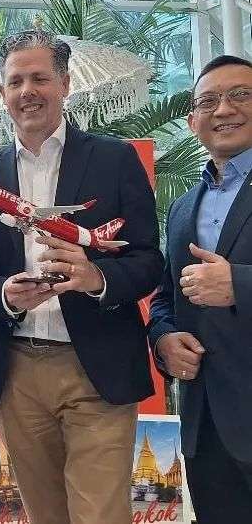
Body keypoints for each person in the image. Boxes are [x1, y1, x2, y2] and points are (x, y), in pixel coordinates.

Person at [0, 30, 163, 524]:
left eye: (40, 78)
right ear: (3, 93)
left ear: (65, 84)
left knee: (99, 514)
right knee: (43, 513)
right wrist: (4, 294)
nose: (27, 90)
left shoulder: (115, 161)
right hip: (17, 370)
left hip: (96, 365)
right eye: (15, 81)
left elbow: (147, 260)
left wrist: (96, 277)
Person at [149, 54, 252, 522]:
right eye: (208, 101)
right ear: (193, 122)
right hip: (206, 423)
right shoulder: (183, 206)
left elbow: (229, 285)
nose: (224, 109)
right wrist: (164, 339)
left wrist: (240, 284)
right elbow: (167, 296)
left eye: (240, 95)